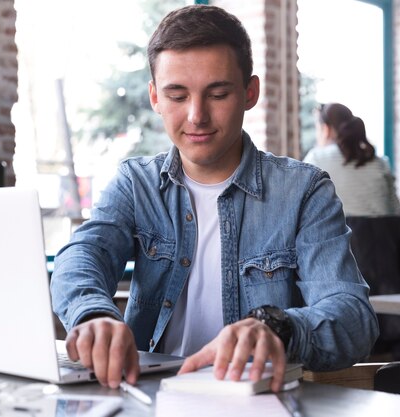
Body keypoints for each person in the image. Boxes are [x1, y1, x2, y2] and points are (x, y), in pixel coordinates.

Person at [50, 5, 378, 393]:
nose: (196, 116)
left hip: (251, 403)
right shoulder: (135, 183)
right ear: (155, 97)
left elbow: (353, 318)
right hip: (147, 398)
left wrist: (277, 327)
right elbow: (81, 256)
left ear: (249, 93)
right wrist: (92, 315)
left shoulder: (303, 191)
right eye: (177, 95)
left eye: (218, 93)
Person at [303, 103, 400, 217]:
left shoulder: (316, 159)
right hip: (385, 233)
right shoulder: (380, 163)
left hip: (339, 234)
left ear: (325, 130)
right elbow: (396, 213)